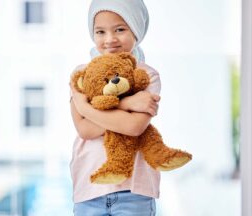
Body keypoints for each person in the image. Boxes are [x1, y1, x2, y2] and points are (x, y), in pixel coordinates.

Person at [70, 0, 161, 215]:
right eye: (100, 31)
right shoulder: (82, 74)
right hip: (89, 186)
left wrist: (87, 109)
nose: (110, 39)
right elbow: (85, 130)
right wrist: (128, 102)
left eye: (120, 29)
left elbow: (134, 127)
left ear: (136, 29)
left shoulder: (147, 75)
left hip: (135, 188)